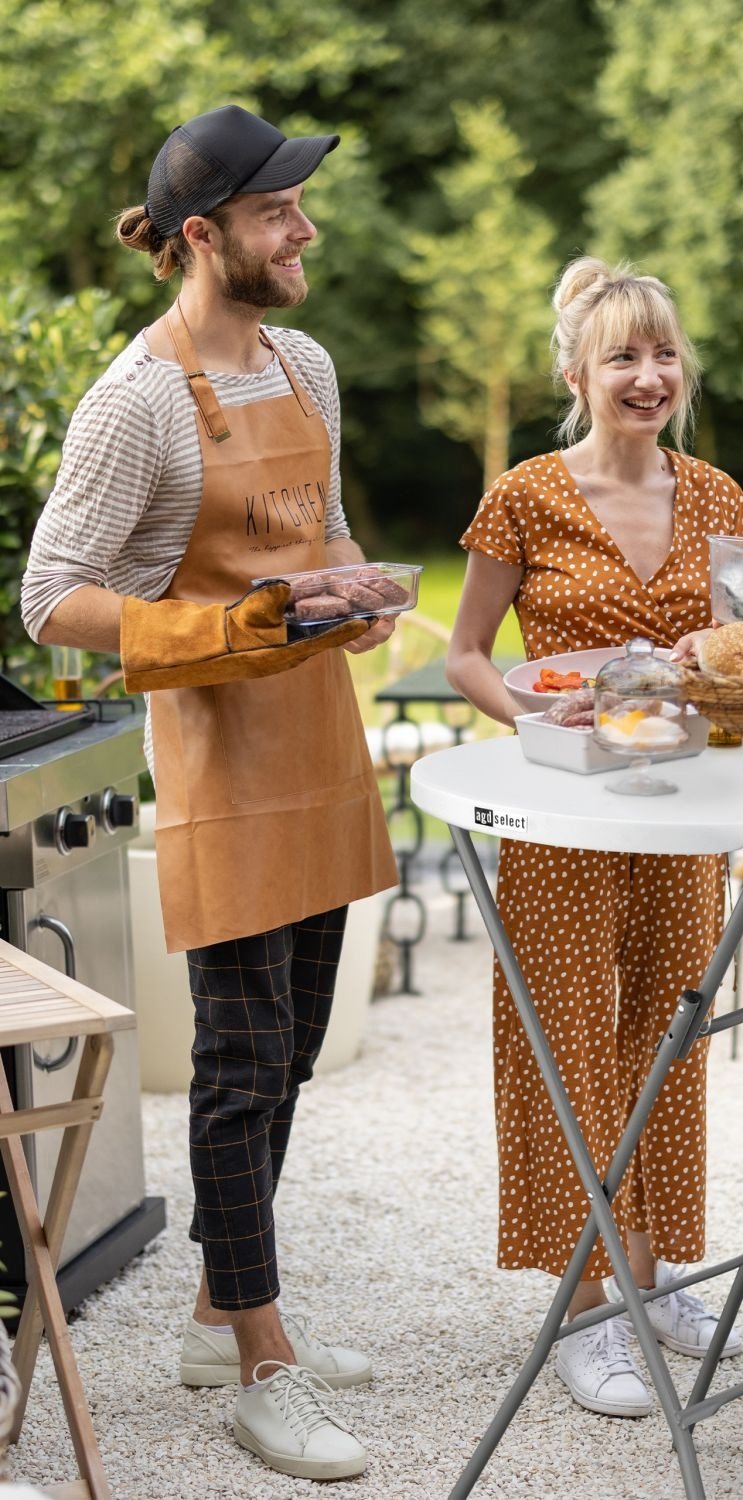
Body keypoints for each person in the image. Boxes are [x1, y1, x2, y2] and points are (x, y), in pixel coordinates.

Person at [21, 107, 397, 1479]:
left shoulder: (306, 364)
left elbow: (323, 528)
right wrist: (225, 629)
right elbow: (50, 596)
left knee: (289, 1054)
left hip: (323, 750)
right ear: (203, 234)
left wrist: (352, 594)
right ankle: (263, 1365)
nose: (307, 230)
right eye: (279, 212)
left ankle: (212, 1316)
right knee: (239, 1070)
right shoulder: (135, 401)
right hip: (222, 764)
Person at [447, 257, 743, 1418]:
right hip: (564, 810)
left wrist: (725, 650)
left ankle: (651, 1271)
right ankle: (585, 1304)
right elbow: (468, 655)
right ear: (576, 373)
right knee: (565, 1039)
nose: (648, 375)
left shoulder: (718, 497)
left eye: (664, 352)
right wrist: (531, 711)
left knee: (673, 1031)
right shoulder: (524, 495)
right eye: (622, 355)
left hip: (684, 807)